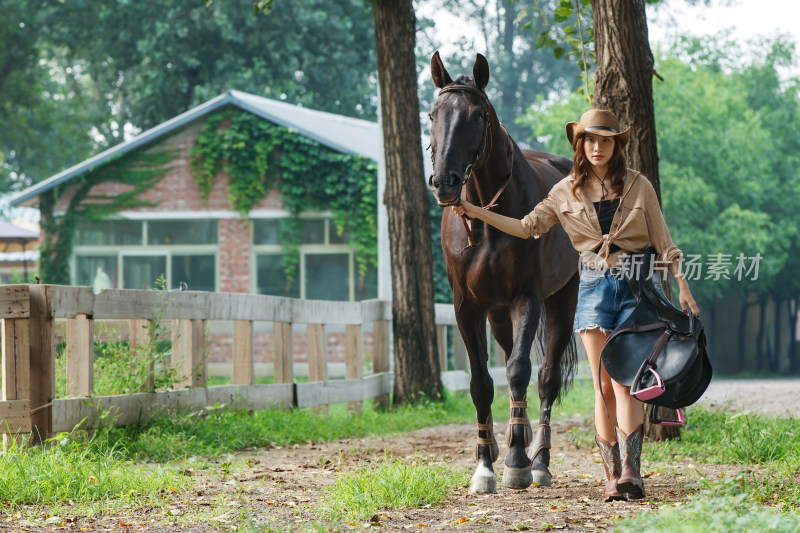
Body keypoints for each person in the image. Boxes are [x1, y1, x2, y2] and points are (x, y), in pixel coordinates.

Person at [452, 108, 699, 501]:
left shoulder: (639, 186)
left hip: (637, 287)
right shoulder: (565, 190)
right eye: (589, 140)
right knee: (602, 384)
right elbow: (526, 226)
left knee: (626, 382)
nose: (596, 147)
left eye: (605, 140)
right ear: (580, 145)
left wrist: (682, 287)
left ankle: (632, 470)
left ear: (617, 145)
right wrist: (477, 211)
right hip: (595, 287)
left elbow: (664, 241)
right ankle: (610, 474)